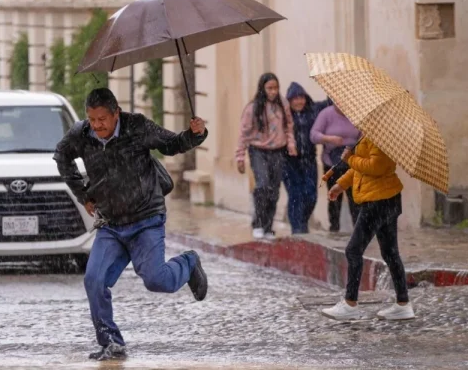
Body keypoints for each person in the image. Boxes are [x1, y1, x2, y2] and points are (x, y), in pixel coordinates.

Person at [53, 88, 209, 361]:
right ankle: (111, 342)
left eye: (102, 118)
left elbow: (171, 144)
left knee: (157, 280)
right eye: (92, 119)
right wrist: (83, 194)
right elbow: (61, 156)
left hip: (146, 219)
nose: (97, 125)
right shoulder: (82, 134)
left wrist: (195, 134)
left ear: (116, 114)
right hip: (112, 224)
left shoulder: (136, 127)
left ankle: (189, 263)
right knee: (94, 279)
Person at [321, 136, 414, 321]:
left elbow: (376, 167)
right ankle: (403, 304)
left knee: (353, 250)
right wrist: (340, 185)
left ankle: (350, 303)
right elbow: (360, 169)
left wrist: (350, 159)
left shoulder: (382, 138)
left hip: (378, 201)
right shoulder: (369, 134)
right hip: (385, 199)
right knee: (390, 252)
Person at [236, 72, 297, 240]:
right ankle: (258, 223)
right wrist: (240, 157)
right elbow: (243, 133)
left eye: (276, 88)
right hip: (258, 151)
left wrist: (291, 144)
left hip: (278, 151)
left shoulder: (283, 105)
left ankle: (268, 226)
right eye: (270, 88)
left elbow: (289, 126)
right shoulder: (252, 108)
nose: (273, 92)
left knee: (274, 190)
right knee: (262, 185)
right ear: (262, 88)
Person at [282, 82, 331, 234]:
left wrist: (333, 88)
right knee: (295, 195)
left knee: (311, 195)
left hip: (309, 160)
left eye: (301, 98)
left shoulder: (313, 110)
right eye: (295, 99)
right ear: (289, 101)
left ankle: (302, 222)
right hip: (289, 162)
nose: (299, 102)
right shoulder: (283, 115)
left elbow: (329, 103)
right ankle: (298, 229)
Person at [310, 104, 361, 232]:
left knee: (355, 196)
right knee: (334, 196)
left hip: (352, 160)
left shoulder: (357, 115)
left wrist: (358, 143)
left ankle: (359, 229)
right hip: (332, 162)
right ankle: (334, 228)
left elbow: (362, 134)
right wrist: (329, 138)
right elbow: (314, 135)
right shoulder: (326, 114)